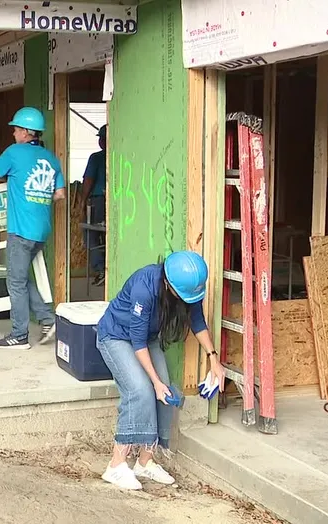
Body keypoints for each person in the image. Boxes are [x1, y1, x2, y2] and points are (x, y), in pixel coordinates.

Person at [95, 250, 225, 490]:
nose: (186, 300)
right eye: (182, 295)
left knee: (167, 394)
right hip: (117, 337)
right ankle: (115, 465)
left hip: (148, 338)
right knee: (140, 390)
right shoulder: (145, 286)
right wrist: (154, 382)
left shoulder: (189, 290)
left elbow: (197, 321)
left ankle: (145, 462)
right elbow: (137, 340)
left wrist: (213, 359)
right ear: (168, 283)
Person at [0, 107, 66, 350]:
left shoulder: (14, 153)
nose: (13, 132)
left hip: (20, 231)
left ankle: (19, 335)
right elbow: (60, 194)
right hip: (41, 231)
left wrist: (14, 180)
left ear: (25, 132)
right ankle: (47, 318)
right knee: (20, 278)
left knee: (15, 282)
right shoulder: (51, 158)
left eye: (16, 129)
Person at [75, 124, 107, 286]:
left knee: (90, 233)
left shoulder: (96, 158)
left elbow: (88, 180)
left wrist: (82, 202)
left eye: (101, 138)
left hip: (98, 201)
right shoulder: (118, 155)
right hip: (114, 200)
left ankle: (101, 269)